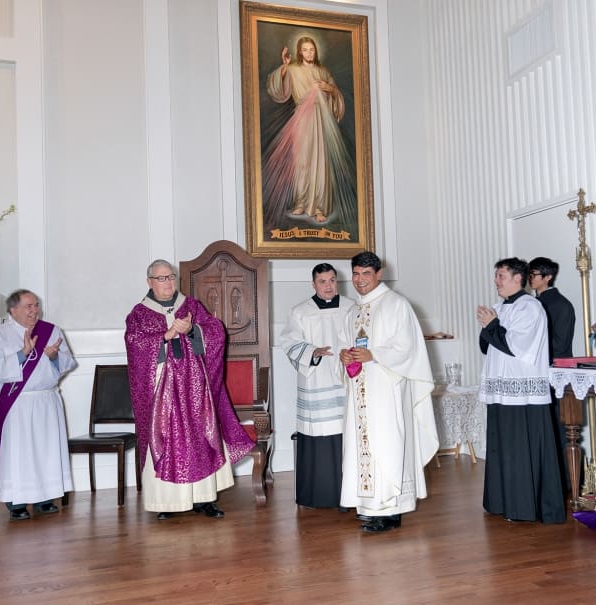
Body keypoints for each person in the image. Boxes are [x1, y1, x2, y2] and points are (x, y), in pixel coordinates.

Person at [125, 260, 255, 520]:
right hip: (163, 391)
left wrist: (193, 329)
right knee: (166, 438)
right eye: (161, 278)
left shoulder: (191, 306)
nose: (168, 282)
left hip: (196, 388)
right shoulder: (139, 314)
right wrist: (165, 336)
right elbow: (134, 343)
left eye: (171, 277)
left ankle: (204, 500)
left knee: (201, 438)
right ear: (150, 282)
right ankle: (168, 503)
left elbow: (216, 331)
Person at [338, 251, 439, 532]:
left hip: (387, 390)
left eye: (366, 274)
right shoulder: (352, 311)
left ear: (379, 274)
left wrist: (374, 355)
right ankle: (369, 506)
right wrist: (344, 357)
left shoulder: (397, 305)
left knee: (387, 445)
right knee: (362, 447)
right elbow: (344, 345)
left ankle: (391, 510)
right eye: (356, 274)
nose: (360, 280)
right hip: (359, 391)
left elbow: (408, 349)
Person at [476, 257, 565, 523]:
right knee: (502, 448)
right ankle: (501, 501)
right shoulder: (498, 307)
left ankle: (525, 506)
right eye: (496, 276)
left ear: (518, 278)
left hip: (522, 393)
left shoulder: (531, 307)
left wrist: (492, 326)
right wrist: (488, 327)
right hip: (501, 389)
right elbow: (487, 346)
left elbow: (517, 346)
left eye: (501, 276)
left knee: (520, 450)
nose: (496, 281)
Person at [0, 289, 75, 520]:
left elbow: (67, 362)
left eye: (36, 305)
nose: (34, 310)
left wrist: (55, 356)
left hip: (46, 400)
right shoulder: (0, 334)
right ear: (12, 310)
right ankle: (16, 501)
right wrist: (21, 354)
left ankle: (45, 499)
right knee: (19, 451)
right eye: (28, 306)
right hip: (17, 403)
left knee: (46, 450)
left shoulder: (51, 331)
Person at [262, 36, 357, 231]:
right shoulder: (294, 70)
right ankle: (302, 203)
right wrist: (284, 67)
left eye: (312, 50)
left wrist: (330, 89)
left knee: (320, 162)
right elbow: (277, 89)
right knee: (302, 160)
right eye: (305, 50)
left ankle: (320, 207)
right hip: (302, 119)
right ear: (300, 52)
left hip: (321, 119)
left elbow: (336, 98)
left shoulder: (323, 72)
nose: (309, 53)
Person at [280, 263, 354, 509]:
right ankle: (319, 495)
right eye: (322, 281)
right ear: (313, 284)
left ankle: (350, 495)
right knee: (319, 434)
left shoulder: (351, 308)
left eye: (332, 280)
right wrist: (313, 352)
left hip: (346, 379)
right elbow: (289, 342)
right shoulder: (301, 311)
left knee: (347, 433)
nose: (328, 286)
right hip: (316, 379)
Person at [529, 256, 576, 492]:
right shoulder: (535, 303)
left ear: (547, 277)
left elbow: (559, 344)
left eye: (534, 274)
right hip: (539, 372)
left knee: (558, 428)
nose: (530, 279)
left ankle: (564, 482)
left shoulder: (559, 304)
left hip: (554, 373)